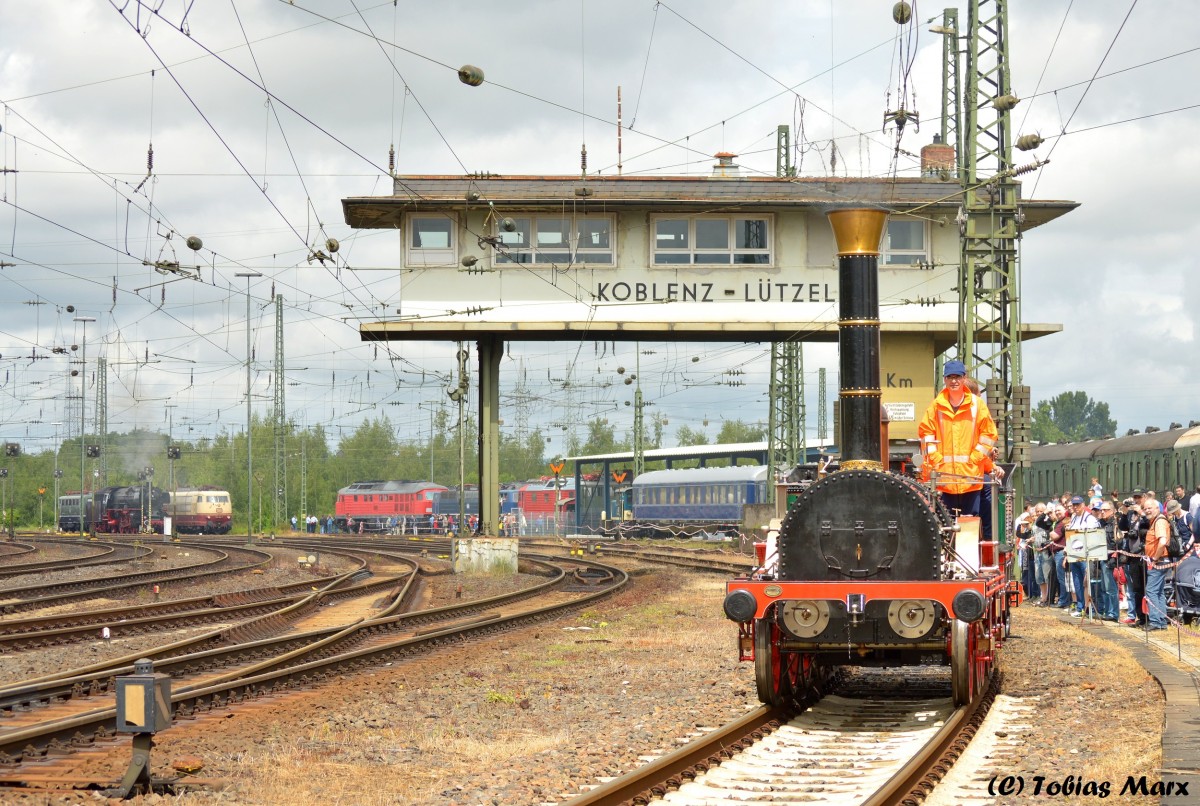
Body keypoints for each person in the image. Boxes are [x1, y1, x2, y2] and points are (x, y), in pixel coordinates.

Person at [917, 359, 1000, 519]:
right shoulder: (936, 406)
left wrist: (974, 459)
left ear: (964, 378)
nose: (954, 381)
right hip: (944, 479)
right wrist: (937, 460)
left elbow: (988, 435)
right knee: (946, 524)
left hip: (971, 478)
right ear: (945, 379)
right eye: (950, 377)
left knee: (970, 523)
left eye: (957, 377)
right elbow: (926, 434)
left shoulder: (977, 405)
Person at [1065, 496, 1101, 617]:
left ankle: (1088, 608)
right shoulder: (1074, 518)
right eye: (1074, 505)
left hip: (1085, 555)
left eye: (1078, 505)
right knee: (1077, 581)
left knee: (1086, 582)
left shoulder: (1090, 519)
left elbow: (1094, 536)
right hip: (1074, 554)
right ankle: (1080, 607)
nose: (1075, 507)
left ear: (1083, 505)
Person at [1144, 501, 1172, 630]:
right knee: (1159, 592)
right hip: (1160, 561)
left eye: (1149, 508)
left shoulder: (1159, 521)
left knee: (1151, 591)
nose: (1147, 510)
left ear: (1157, 508)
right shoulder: (1156, 520)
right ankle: (1162, 621)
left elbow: (1162, 541)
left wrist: (1154, 559)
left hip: (1158, 561)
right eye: (1145, 508)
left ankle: (1155, 622)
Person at [1096, 501, 1121, 621]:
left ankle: (1113, 613)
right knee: (1104, 587)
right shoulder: (1101, 523)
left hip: (1111, 558)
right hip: (1101, 558)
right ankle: (1107, 611)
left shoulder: (1116, 523)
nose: (1102, 512)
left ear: (1112, 511)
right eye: (1101, 510)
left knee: (1111, 588)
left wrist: (1114, 558)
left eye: (1105, 510)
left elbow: (1119, 542)